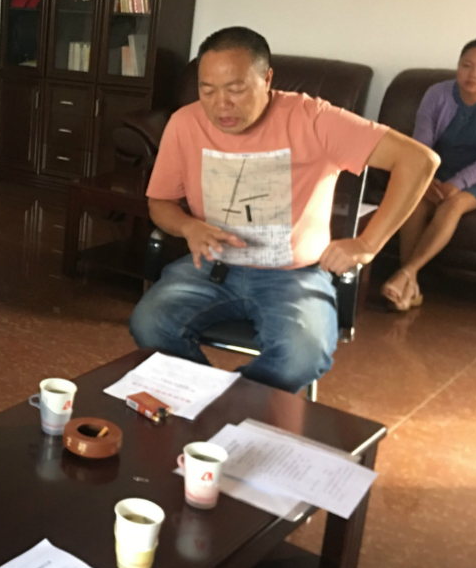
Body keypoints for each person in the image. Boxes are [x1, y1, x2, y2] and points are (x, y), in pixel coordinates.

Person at [129, 27, 439, 394]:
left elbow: (419, 161)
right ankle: (216, 404)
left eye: (235, 89)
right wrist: (188, 227)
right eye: (207, 90)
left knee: (301, 356)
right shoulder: (185, 123)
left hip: (294, 276)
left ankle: (226, 406)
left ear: (267, 79)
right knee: (149, 324)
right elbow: (160, 202)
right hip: (212, 267)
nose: (220, 105)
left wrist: (367, 244)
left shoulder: (314, 119)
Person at [381, 37, 476, 310]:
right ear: (458, 65)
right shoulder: (437, 93)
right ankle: (412, 287)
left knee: (452, 205)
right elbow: (421, 143)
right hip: (436, 166)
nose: (473, 74)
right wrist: (427, 177)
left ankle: (407, 273)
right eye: (466, 65)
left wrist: (458, 183)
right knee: (416, 200)